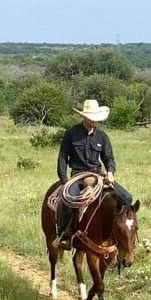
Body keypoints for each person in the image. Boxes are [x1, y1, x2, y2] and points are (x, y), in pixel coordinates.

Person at [53, 99, 134, 250]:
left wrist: (110, 172)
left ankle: (122, 235)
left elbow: (108, 157)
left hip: (98, 174)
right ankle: (64, 234)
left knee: (127, 198)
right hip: (78, 175)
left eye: (96, 118)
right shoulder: (71, 134)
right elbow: (62, 158)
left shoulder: (102, 136)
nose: (94, 121)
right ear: (84, 117)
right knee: (67, 200)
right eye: (91, 117)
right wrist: (64, 181)